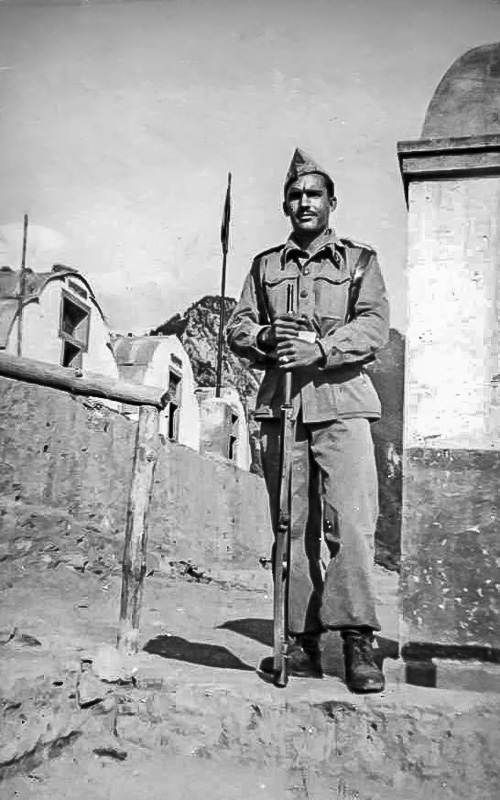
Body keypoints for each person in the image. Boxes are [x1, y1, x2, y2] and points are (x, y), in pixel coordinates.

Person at [226, 148, 389, 693]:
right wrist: (264, 336)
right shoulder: (264, 266)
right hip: (283, 409)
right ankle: (300, 641)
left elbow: (373, 326)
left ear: (331, 203)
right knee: (290, 526)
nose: (304, 203)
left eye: (314, 194)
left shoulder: (359, 262)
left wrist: (321, 349)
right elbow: (238, 326)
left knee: (351, 523)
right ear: (285, 206)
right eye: (295, 196)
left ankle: (358, 641)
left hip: (343, 405)